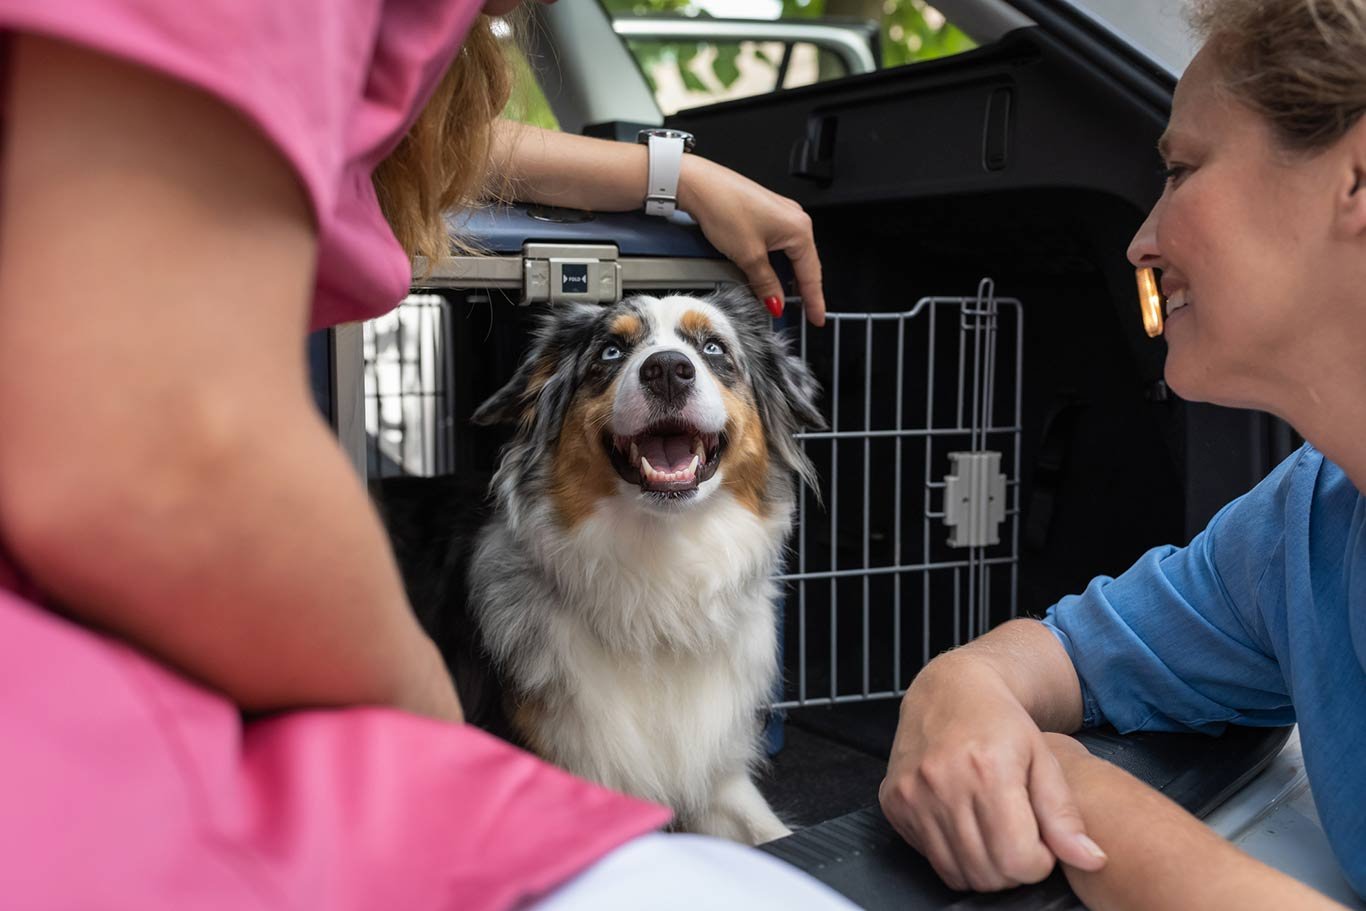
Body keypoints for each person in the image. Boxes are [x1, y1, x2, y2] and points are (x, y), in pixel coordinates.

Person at [0, 2, 851, 908]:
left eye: (708, 352)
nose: (671, 367)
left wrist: (680, 177)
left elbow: (421, 139)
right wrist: (433, 737)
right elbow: (168, 451)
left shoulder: (380, 56)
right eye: (618, 353)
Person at [879, 0, 1366, 907]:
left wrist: (1078, 786)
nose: (1142, 240)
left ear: (1357, 177)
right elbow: (1062, 652)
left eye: (1182, 169)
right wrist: (956, 690)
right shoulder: (1305, 524)